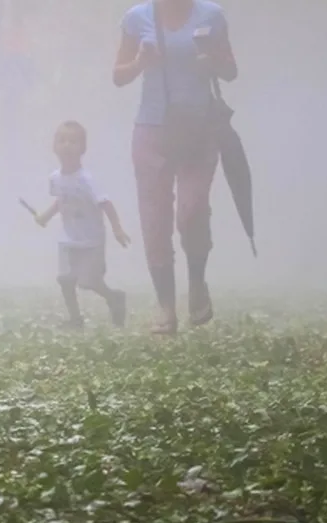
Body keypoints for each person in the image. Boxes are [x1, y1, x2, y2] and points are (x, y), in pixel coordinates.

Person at [114, 0, 237, 335]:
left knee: (192, 209)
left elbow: (230, 70)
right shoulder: (137, 18)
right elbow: (118, 75)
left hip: (199, 128)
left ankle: (197, 282)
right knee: (155, 220)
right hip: (152, 129)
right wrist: (140, 62)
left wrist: (210, 62)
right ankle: (166, 306)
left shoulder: (211, 14)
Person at [32, 121, 130, 329]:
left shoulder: (87, 179)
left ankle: (114, 298)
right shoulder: (55, 178)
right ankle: (75, 319)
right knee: (65, 279)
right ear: (54, 146)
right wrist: (45, 217)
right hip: (68, 238)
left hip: (91, 239)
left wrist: (117, 229)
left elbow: (105, 203)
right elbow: (61, 200)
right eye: (62, 140)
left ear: (82, 148)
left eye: (73, 141)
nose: (67, 145)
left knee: (88, 282)